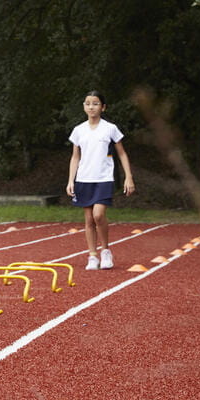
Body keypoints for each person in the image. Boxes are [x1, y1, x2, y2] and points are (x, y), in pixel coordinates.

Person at [66, 91, 135, 270]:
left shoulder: (110, 128)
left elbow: (121, 153)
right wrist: (70, 180)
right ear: (84, 106)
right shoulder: (78, 130)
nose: (91, 106)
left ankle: (105, 251)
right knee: (89, 220)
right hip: (83, 179)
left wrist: (129, 176)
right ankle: (92, 256)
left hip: (103, 179)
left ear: (103, 107)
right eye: (88, 103)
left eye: (95, 103)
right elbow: (75, 157)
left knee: (98, 215)